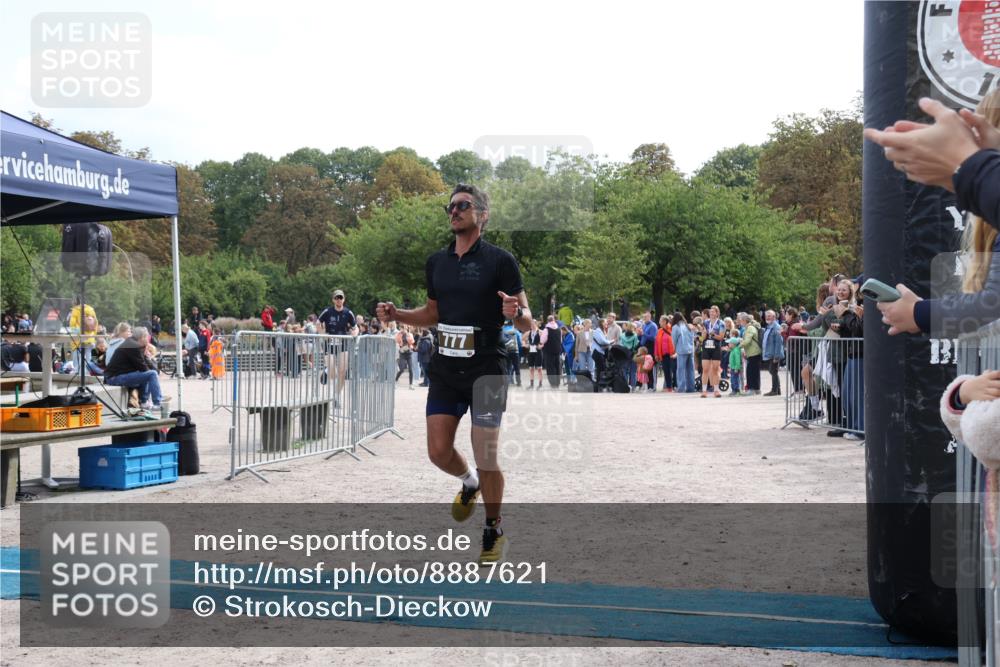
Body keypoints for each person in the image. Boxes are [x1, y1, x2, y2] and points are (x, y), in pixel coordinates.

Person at [375, 183, 531, 565]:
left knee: (487, 454)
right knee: (438, 451)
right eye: (450, 207)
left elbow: (527, 321)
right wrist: (398, 315)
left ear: (482, 214)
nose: (454, 211)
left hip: (488, 369)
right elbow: (433, 314)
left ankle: (493, 529)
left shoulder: (501, 261)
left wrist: (516, 314)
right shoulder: (437, 262)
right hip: (446, 368)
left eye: (463, 205)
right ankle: (468, 484)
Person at [104, 326, 168, 412]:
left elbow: (146, 367)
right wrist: (147, 358)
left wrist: (147, 357)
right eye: (147, 337)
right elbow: (144, 368)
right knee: (151, 374)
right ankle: (157, 403)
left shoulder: (133, 344)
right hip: (114, 378)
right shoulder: (133, 346)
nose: (148, 340)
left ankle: (144, 402)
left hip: (116, 375)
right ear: (142, 337)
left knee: (150, 374)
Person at [318, 289, 357, 401]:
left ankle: (336, 396)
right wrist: (322, 334)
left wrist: (355, 333)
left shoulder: (348, 312)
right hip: (329, 343)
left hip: (343, 343)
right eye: (336, 298)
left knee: (342, 371)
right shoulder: (327, 311)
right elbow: (317, 323)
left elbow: (355, 327)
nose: (339, 300)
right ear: (333, 300)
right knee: (332, 373)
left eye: (340, 298)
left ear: (344, 299)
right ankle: (326, 371)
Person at [700, 306, 725, 398]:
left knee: (715, 369)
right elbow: (703, 337)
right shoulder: (705, 323)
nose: (711, 313)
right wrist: (703, 335)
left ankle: (716, 390)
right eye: (710, 312)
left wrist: (712, 334)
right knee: (705, 369)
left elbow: (721, 337)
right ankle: (704, 391)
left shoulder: (721, 323)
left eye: (713, 312)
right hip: (706, 347)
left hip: (716, 347)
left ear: (717, 313)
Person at [761, 310, 785, 396]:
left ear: (774, 317)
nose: (767, 317)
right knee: (772, 371)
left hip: (774, 354)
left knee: (773, 371)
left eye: (770, 316)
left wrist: (777, 356)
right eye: (766, 315)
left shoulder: (776, 327)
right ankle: (777, 390)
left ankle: (774, 390)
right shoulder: (768, 326)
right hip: (769, 353)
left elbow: (779, 342)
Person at [672, 312, 696, 393]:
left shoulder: (675, 327)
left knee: (680, 370)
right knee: (690, 369)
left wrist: (675, 349)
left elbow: (674, 340)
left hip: (681, 350)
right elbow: (693, 337)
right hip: (691, 349)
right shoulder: (689, 326)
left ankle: (681, 388)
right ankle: (691, 387)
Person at [739, 313, 762, 395]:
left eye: (741, 320)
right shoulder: (750, 327)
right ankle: (756, 389)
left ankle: (752, 389)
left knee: (751, 371)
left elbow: (747, 340)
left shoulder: (750, 328)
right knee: (754, 371)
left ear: (745, 321)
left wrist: (738, 346)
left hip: (754, 352)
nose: (740, 322)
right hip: (753, 352)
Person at [539, 315, 562, 389]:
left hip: (548, 350)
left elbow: (542, 340)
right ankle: (558, 382)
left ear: (547, 321)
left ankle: (553, 383)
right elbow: (560, 340)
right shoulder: (559, 329)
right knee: (557, 366)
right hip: (557, 350)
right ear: (554, 320)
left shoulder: (546, 329)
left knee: (550, 367)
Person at [655, 315, 675, 392]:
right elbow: (656, 343)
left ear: (664, 321)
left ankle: (675, 386)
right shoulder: (659, 331)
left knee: (672, 370)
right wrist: (656, 354)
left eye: (660, 320)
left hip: (672, 354)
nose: (659, 322)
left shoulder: (672, 329)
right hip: (663, 354)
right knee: (666, 371)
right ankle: (669, 387)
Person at [525, 320, 542, 389]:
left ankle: (540, 384)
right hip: (530, 352)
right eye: (531, 325)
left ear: (536, 324)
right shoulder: (529, 332)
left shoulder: (540, 332)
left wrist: (541, 345)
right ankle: (531, 384)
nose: (531, 326)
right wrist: (525, 344)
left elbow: (545, 340)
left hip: (538, 352)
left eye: (533, 324)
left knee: (539, 369)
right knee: (531, 368)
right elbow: (522, 339)